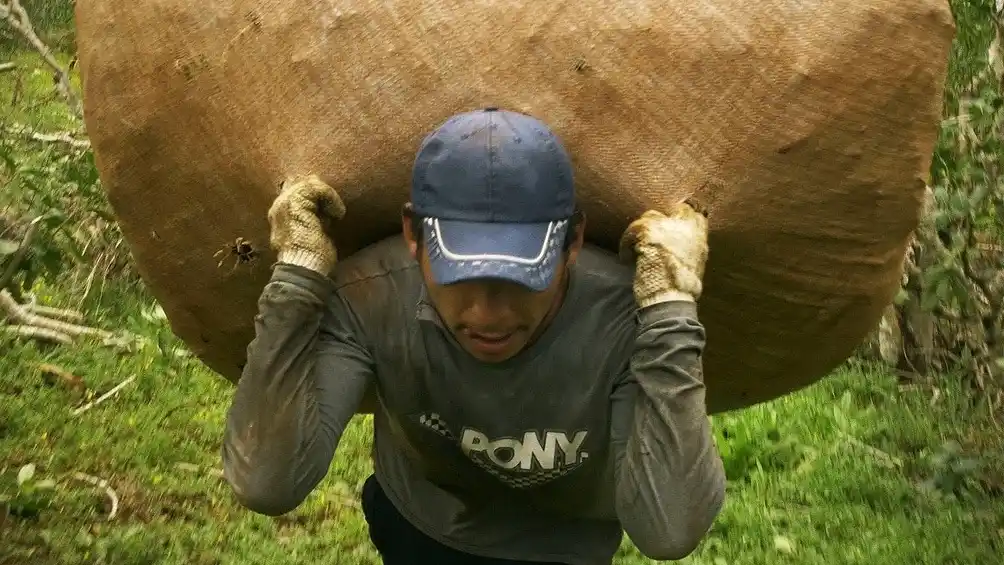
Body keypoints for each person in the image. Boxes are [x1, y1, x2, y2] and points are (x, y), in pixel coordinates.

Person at [221, 107, 726, 565]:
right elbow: (267, 480)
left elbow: (669, 528)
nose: (486, 314)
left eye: (519, 281)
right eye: (457, 277)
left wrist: (670, 307)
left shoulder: (619, 317)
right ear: (413, 236)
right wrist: (297, 276)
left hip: (564, 547)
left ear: (572, 241)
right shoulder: (371, 297)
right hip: (418, 525)